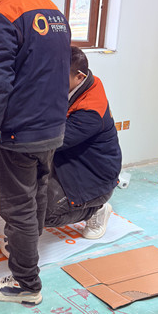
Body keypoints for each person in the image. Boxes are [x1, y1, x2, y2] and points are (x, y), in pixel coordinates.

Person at [0, 0, 71, 306]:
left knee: (18, 209)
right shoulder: (52, 11)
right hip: (51, 127)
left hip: (18, 132)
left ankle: (26, 283)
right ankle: (25, 255)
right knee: (36, 197)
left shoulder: (3, 13)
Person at [44, 46, 122, 237]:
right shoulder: (79, 84)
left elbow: (53, 142)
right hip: (73, 158)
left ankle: (97, 210)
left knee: (42, 213)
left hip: (93, 176)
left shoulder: (90, 111)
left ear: (79, 76)